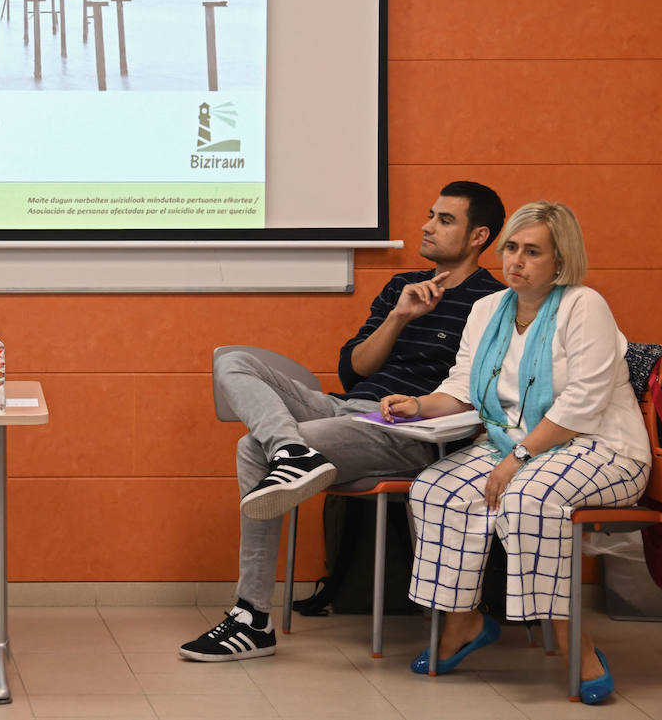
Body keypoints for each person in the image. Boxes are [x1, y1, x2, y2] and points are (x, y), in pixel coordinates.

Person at [180, 181, 506, 662]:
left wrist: (418, 405)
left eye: (444, 219)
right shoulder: (402, 286)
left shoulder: (493, 302)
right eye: (430, 214)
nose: (426, 225)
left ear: (479, 236)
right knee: (232, 361)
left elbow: (476, 394)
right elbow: (354, 370)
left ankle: (252, 617)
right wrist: (399, 317)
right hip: (349, 407)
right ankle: (293, 451)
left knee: (252, 448)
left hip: (407, 429)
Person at [381, 202, 649, 705]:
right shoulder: (487, 309)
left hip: (602, 448)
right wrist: (418, 404)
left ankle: (575, 641)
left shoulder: (584, 304)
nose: (516, 261)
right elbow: (462, 385)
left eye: (532, 251)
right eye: (511, 248)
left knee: (527, 498)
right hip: (515, 445)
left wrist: (518, 457)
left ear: (560, 260)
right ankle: (463, 622)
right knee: (434, 489)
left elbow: (583, 401)